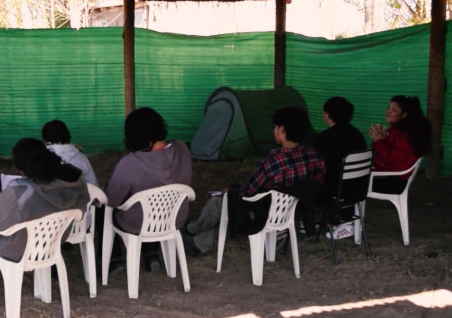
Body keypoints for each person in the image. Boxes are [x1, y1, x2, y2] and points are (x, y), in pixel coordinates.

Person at [0, 138, 89, 297]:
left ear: (23, 172)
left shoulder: (20, 193)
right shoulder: (75, 178)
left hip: (18, 246)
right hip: (55, 239)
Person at [186, 107, 325, 251]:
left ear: (282, 130)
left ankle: (192, 231)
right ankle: (198, 241)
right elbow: (316, 185)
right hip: (293, 211)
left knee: (217, 203)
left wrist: (230, 189)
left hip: (263, 213)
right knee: (224, 204)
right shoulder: (315, 156)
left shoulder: (274, 160)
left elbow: (248, 192)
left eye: (275, 127)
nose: (274, 130)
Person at [104, 107, 192, 271]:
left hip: (138, 224)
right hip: (175, 218)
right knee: (148, 206)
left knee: (104, 209)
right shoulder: (182, 149)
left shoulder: (130, 163)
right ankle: (151, 255)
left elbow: (112, 200)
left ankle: (114, 260)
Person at [368, 95, 431, 194]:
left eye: (394, 110)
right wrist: (379, 139)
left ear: (404, 115)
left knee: (349, 182)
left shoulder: (405, 135)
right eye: (388, 107)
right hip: (390, 175)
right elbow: (381, 153)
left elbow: (392, 158)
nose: (388, 111)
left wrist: (379, 141)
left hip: (395, 181)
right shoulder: (396, 130)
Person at [313, 96, 367, 205]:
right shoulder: (358, 135)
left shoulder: (323, 138)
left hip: (331, 193)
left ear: (327, 115)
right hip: (358, 191)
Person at [41, 119, 98, 185]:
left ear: (45, 140)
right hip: (79, 193)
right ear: (68, 135)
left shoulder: (40, 159)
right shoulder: (81, 158)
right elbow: (93, 183)